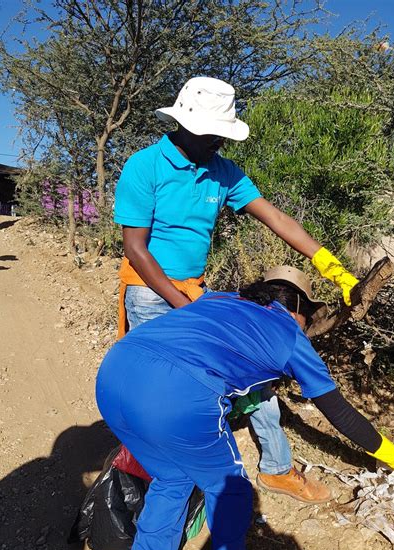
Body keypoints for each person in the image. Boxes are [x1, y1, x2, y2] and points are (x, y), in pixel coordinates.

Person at [97, 266, 394, 550]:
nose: (306, 323)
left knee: (171, 481)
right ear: (296, 304)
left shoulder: (224, 298)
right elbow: (340, 413)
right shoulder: (290, 336)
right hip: (176, 399)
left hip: (114, 374)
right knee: (230, 490)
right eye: (307, 314)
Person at [114, 76, 359, 504]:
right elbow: (135, 249)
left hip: (194, 291)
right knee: (166, 403)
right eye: (212, 134)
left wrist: (332, 266)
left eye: (222, 135)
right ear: (185, 124)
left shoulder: (223, 171)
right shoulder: (145, 166)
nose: (218, 143)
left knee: (252, 374)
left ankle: (278, 469)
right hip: (151, 294)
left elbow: (277, 219)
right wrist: (184, 307)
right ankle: (157, 507)